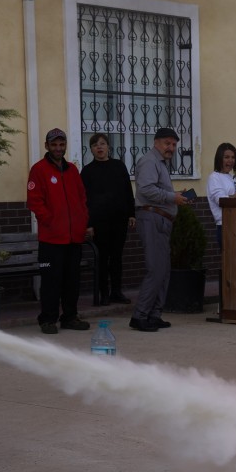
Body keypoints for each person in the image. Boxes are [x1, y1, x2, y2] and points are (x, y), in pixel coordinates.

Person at [26, 128, 92, 334]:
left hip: (73, 238)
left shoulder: (72, 170)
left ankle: (70, 317)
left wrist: (82, 222)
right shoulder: (38, 170)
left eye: (61, 144)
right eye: (54, 144)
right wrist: (50, 222)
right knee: (51, 282)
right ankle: (47, 319)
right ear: (47, 146)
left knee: (72, 281)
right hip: (51, 239)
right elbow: (35, 201)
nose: (58, 148)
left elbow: (82, 198)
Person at [130, 127, 190, 333]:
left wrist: (174, 195)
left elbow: (156, 190)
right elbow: (145, 190)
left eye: (174, 144)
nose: (171, 148)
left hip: (160, 219)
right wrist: (172, 197)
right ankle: (140, 316)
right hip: (152, 217)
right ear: (156, 143)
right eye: (167, 143)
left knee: (163, 271)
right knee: (156, 269)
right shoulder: (149, 161)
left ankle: (153, 315)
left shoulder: (160, 163)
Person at [80, 132, 135, 305]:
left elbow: (128, 191)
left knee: (117, 257)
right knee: (102, 258)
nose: (100, 147)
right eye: (95, 145)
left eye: (103, 144)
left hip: (119, 220)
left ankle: (116, 292)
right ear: (91, 150)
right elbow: (84, 200)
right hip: (99, 223)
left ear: (108, 147)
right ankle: (103, 293)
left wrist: (131, 213)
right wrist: (88, 224)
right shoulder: (87, 172)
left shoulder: (119, 167)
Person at [206, 142, 236, 246]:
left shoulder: (233, 177)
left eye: (233, 157)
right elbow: (222, 201)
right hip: (225, 225)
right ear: (219, 158)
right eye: (226, 157)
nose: (230, 160)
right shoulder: (214, 177)